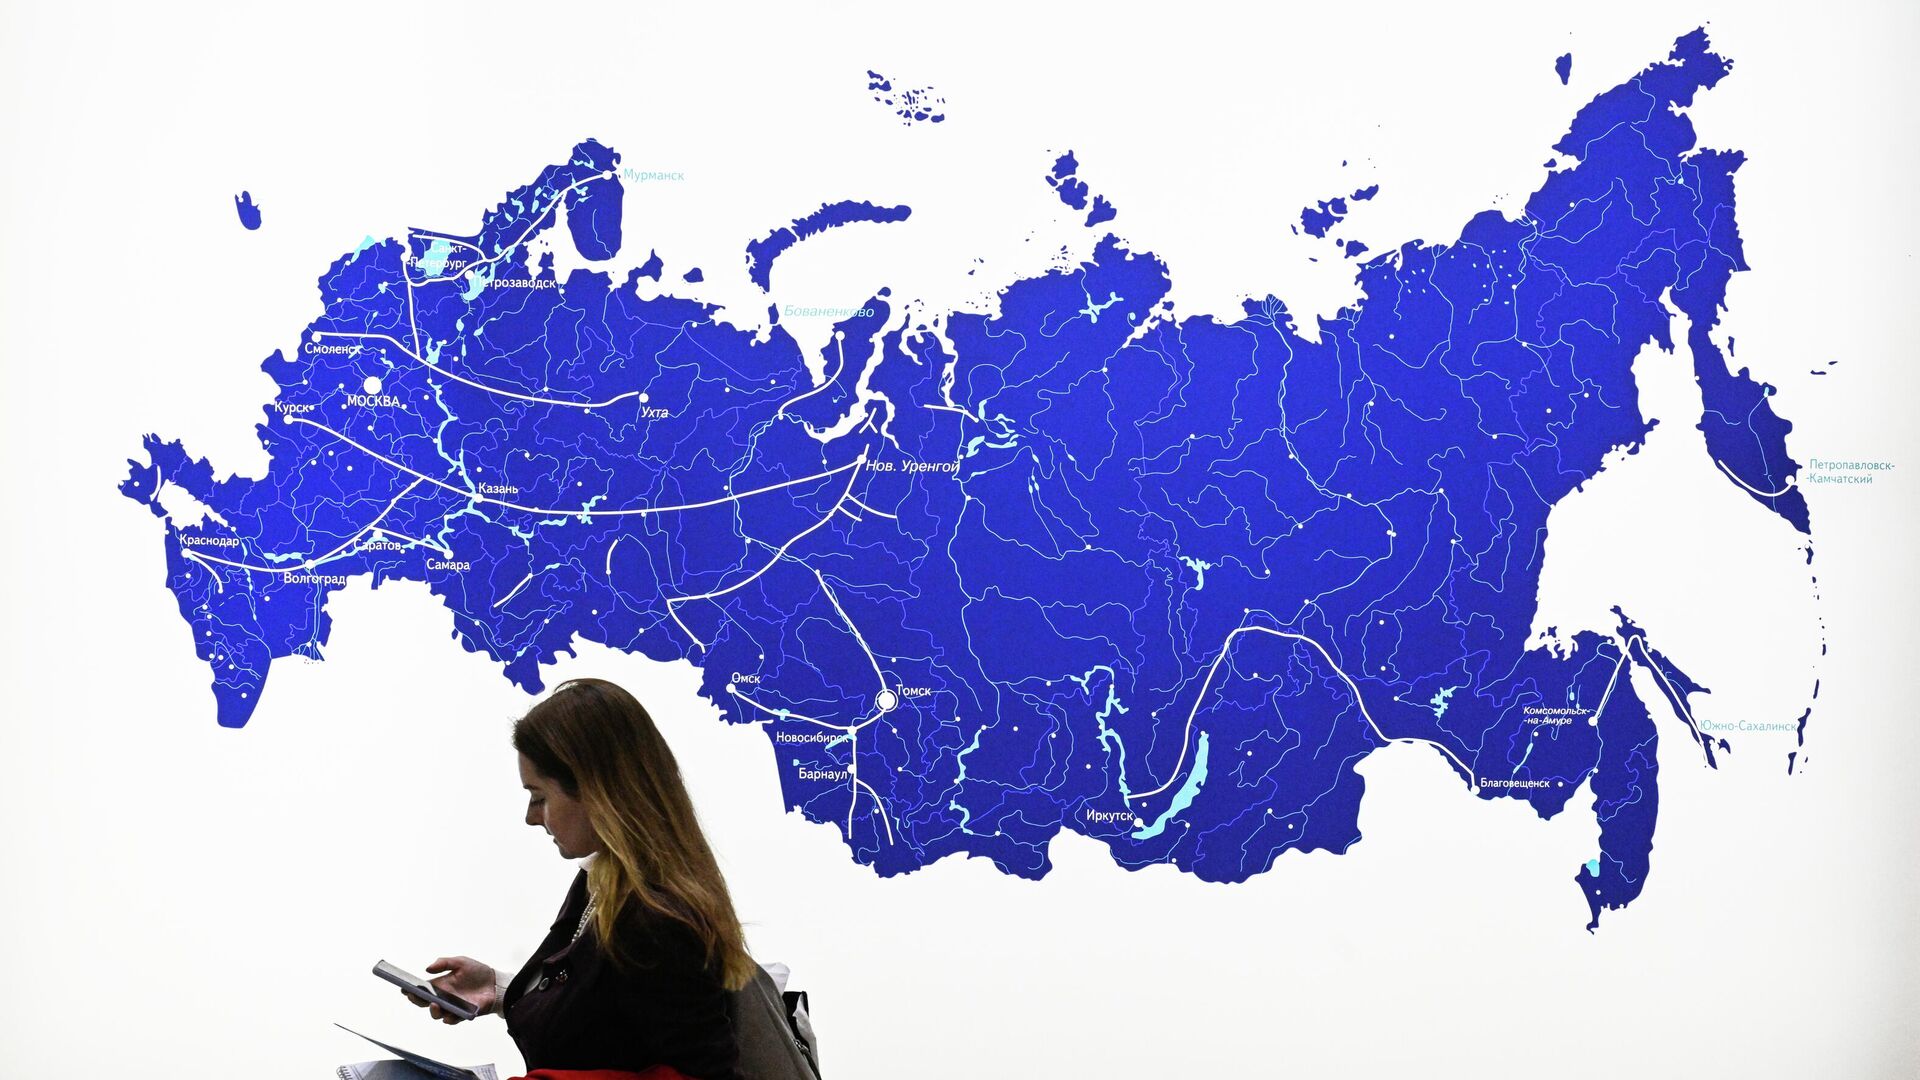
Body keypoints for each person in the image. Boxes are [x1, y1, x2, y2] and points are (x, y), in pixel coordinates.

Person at [408, 678, 756, 1080]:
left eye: (539, 797)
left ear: (595, 790)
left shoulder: (657, 918)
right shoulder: (602, 882)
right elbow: (607, 1016)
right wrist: (501, 989)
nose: (531, 817)